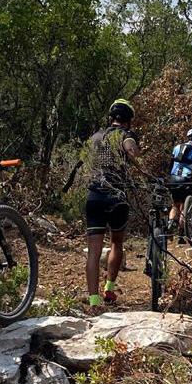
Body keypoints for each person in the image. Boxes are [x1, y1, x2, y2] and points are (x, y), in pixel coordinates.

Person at [84, 99, 142, 307]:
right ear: (127, 121)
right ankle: (109, 289)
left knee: (93, 251)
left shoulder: (95, 137)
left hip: (94, 195)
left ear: (111, 118)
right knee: (116, 241)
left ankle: (93, 301)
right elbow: (131, 150)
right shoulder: (126, 134)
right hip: (116, 196)